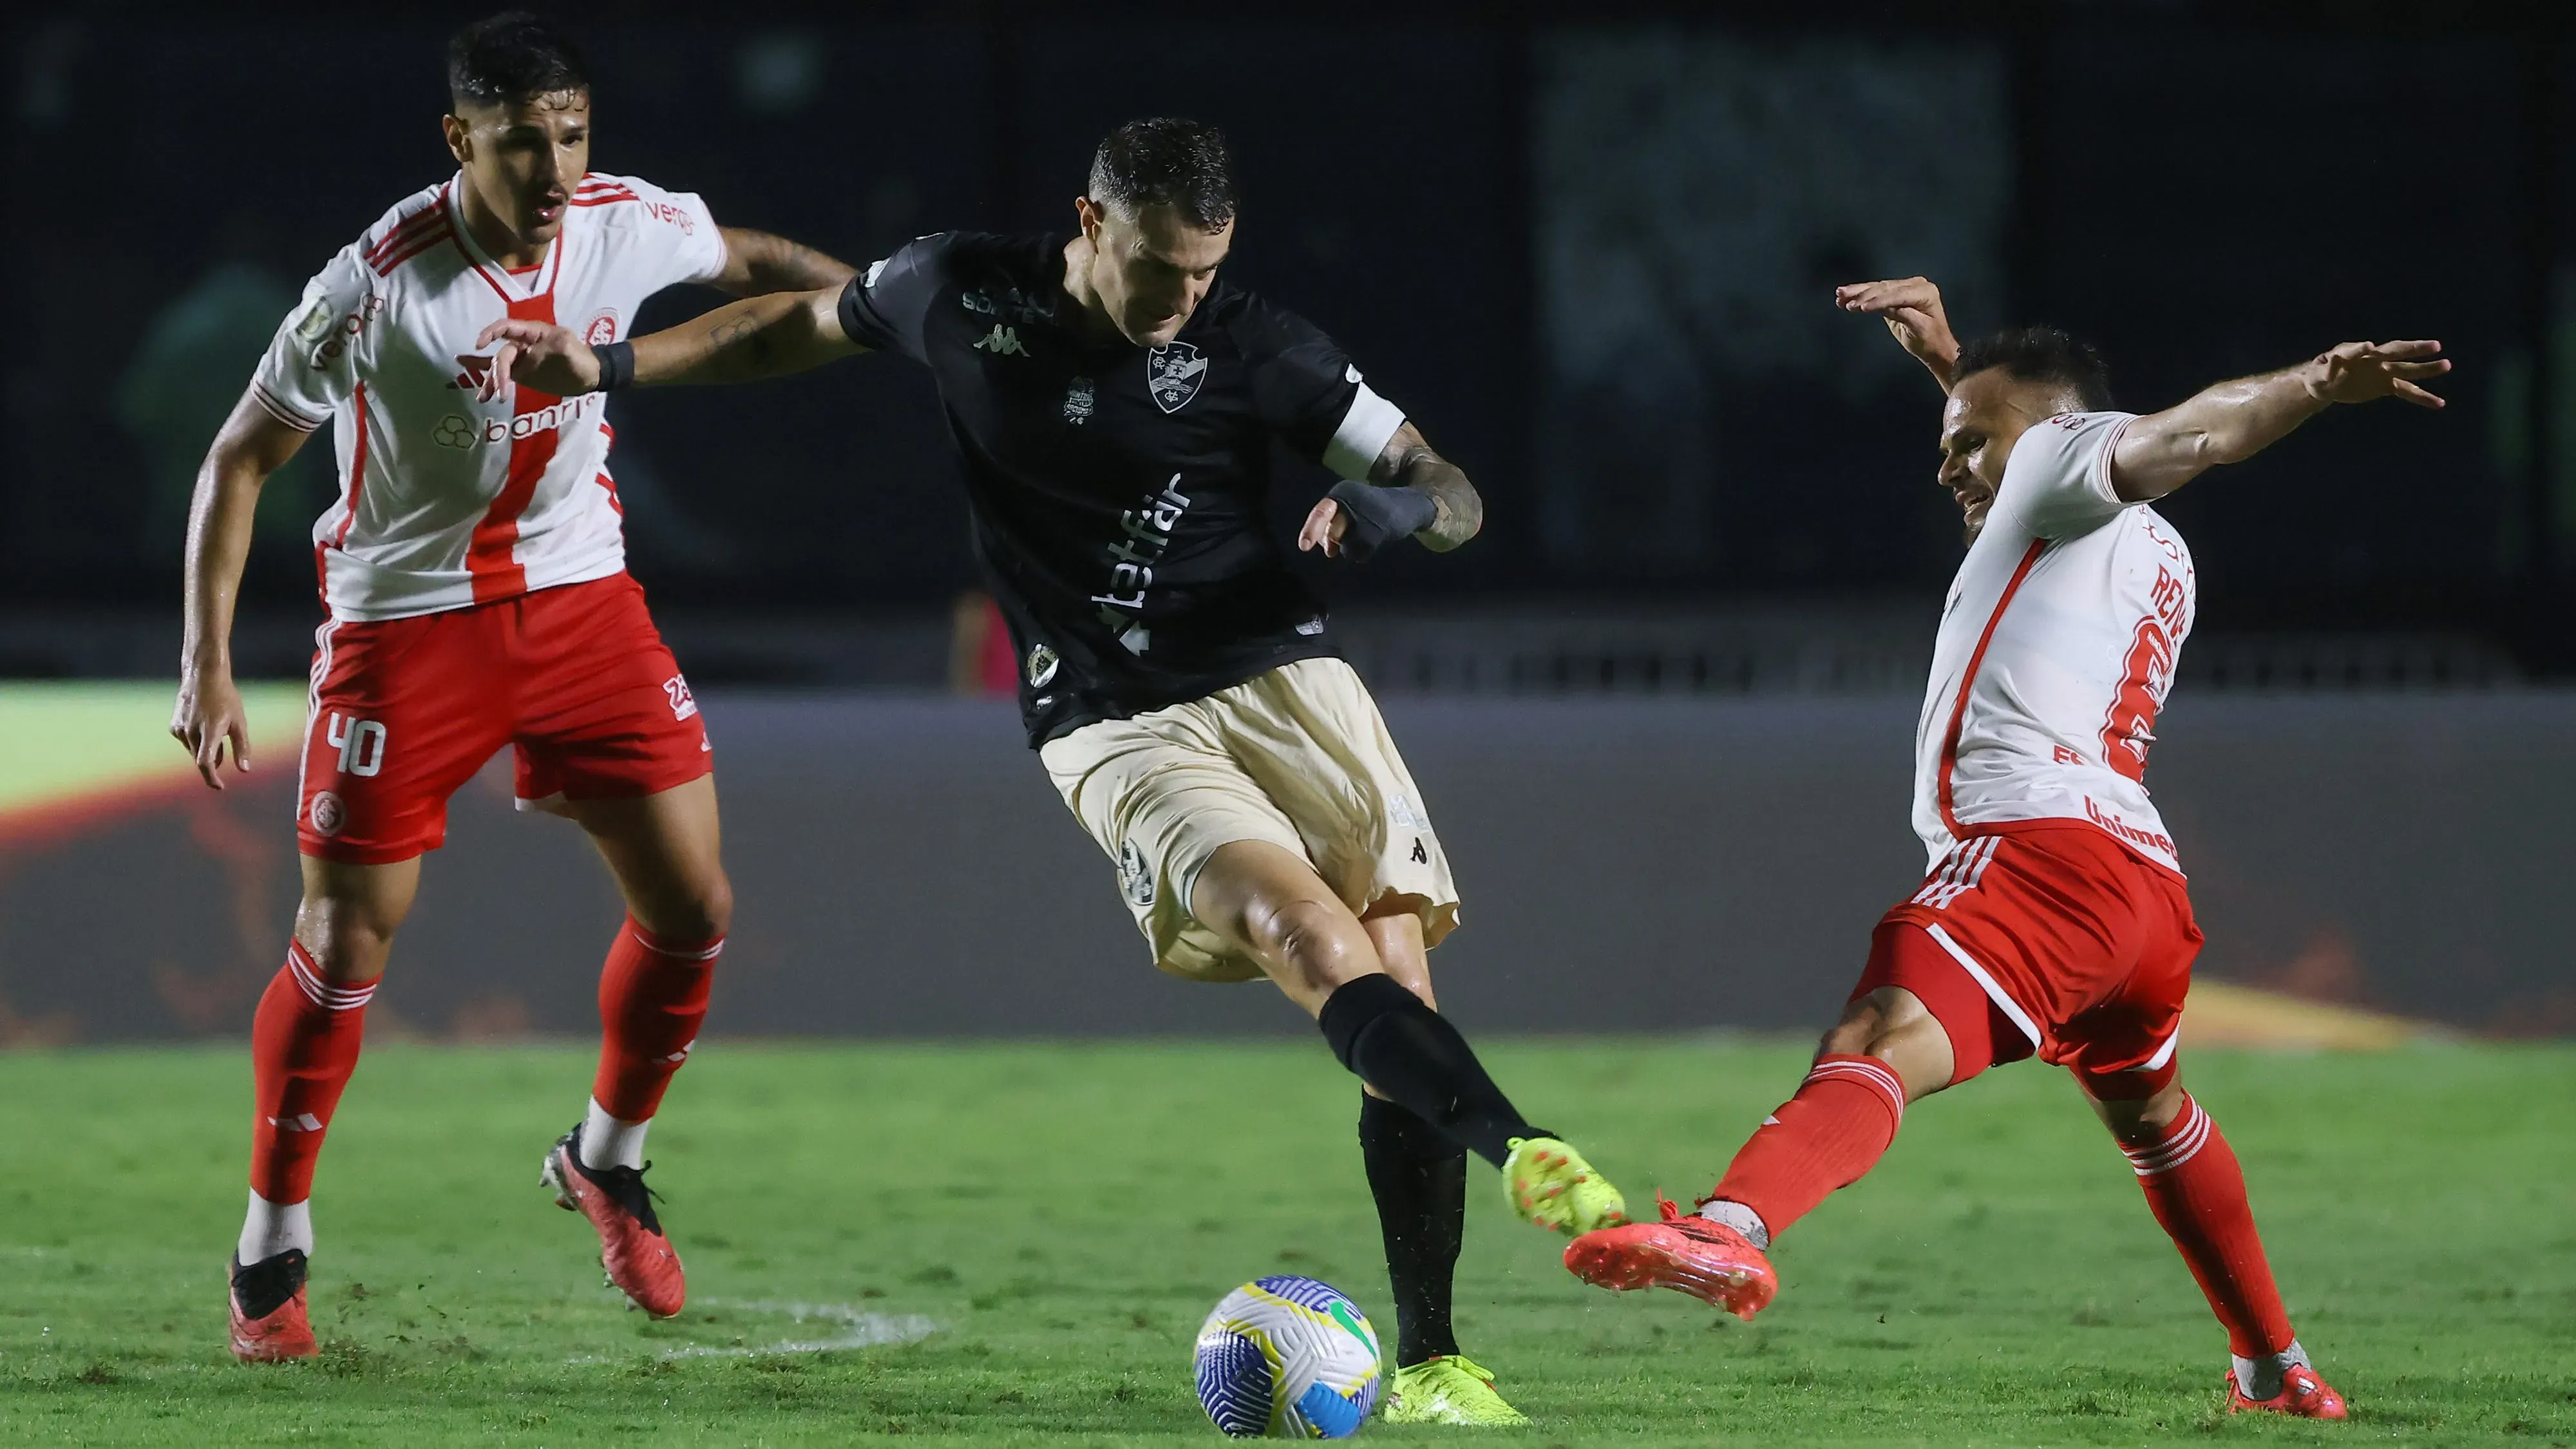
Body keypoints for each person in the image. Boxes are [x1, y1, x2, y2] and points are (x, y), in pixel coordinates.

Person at [479, 117, 1629, 1426]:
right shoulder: (960, 290)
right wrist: (612, 363)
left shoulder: (1260, 345)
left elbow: (1451, 487)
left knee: (1397, 987)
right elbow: (787, 326)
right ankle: (1535, 1157)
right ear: (1091, 223)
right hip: (1109, 715)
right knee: (1300, 935)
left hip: (1285, 681)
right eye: (1160, 268)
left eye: (1206, 270)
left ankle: (1430, 1365)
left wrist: (1400, 506)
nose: (1182, 298)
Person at [1560, 277, 2448, 1419]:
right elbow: (2048, 446)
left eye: (1966, 442)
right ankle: (2274, 1364)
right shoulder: (2147, 541)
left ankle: (1730, 1225)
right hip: (2141, 895)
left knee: (1881, 1029)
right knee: (2158, 1120)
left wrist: (2315, 383)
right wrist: (1956, 371)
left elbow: (2192, 433)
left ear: (2050, 430)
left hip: (2040, 855)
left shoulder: (2061, 463)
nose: (1947, 468)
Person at [168, 12, 855, 1362]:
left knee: (695, 907)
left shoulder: (620, 222)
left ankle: (606, 1160)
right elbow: (239, 456)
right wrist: (207, 659)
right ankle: (271, 1240)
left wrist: (892, 313)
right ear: (459, 138)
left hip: (581, 599)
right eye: (522, 142)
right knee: (345, 944)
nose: (553, 169)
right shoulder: (375, 283)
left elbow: (761, 263)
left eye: (572, 135)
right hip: (405, 624)